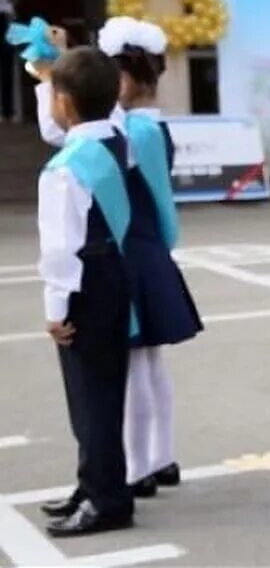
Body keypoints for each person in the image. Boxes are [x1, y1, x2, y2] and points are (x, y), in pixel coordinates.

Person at [98, 18, 203, 497]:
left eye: (113, 77)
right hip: (148, 249)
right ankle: (160, 457)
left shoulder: (135, 130)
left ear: (132, 78)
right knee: (149, 362)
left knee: (136, 363)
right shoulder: (148, 125)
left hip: (133, 251)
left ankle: (139, 465)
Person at [36, 47, 136, 536]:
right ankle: (95, 482)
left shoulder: (64, 168)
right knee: (107, 387)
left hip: (81, 282)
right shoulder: (117, 138)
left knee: (88, 393)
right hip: (113, 273)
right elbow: (75, 123)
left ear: (65, 103)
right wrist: (49, 78)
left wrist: (55, 309)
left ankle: (105, 498)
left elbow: (59, 248)